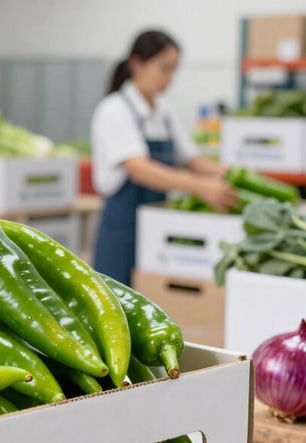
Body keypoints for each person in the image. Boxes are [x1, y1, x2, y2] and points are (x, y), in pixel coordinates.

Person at [91, 29, 238, 286]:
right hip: (122, 231)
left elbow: (191, 159)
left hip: (158, 230)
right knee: (116, 301)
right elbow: (139, 169)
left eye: (173, 70)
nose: (169, 78)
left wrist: (232, 174)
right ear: (137, 64)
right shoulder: (114, 110)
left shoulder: (164, 112)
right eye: (163, 68)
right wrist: (199, 187)